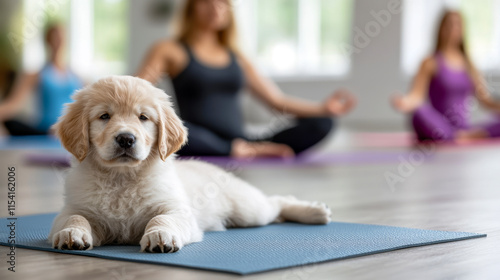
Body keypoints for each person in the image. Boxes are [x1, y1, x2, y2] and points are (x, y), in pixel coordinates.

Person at [137, 0, 357, 158]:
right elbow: (137, 90)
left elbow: (277, 101)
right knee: (171, 129)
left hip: (243, 139)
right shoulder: (169, 49)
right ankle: (232, 150)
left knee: (322, 124)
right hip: (197, 137)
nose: (215, 7)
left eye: (223, 2)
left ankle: (246, 148)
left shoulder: (237, 57)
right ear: (192, 6)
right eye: (206, 1)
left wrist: (323, 108)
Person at [392, 11, 500, 143]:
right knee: (420, 113)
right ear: (440, 28)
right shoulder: (430, 62)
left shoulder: (469, 65)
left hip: (463, 128)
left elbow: (485, 99)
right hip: (439, 124)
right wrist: (404, 102)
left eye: (457, 25)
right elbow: (416, 95)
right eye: (448, 25)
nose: (452, 29)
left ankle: (462, 135)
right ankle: (456, 136)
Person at [0, 23, 83, 136]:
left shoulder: (75, 76)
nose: (58, 41)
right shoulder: (36, 75)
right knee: (12, 123)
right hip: (46, 131)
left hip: (69, 132)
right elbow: (14, 104)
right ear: (47, 41)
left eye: (60, 37)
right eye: (54, 37)